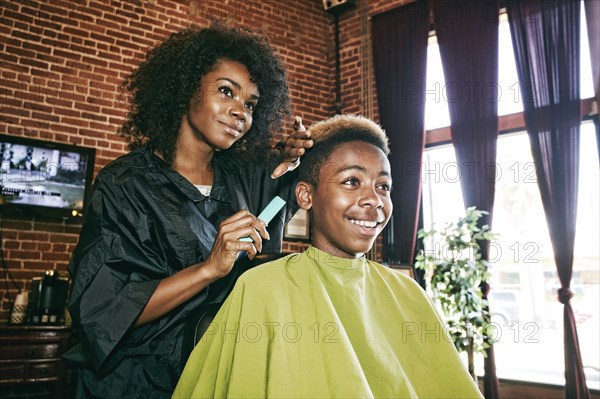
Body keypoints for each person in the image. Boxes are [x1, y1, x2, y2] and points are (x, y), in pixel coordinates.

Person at [65, 23, 312, 398]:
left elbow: (276, 205)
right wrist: (209, 269)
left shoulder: (241, 181)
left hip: (216, 374)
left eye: (250, 104)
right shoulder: (124, 185)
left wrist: (289, 161)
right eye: (225, 91)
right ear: (185, 90)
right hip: (135, 382)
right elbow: (102, 313)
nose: (239, 112)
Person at [173, 114, 484, 399]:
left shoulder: (408, 293)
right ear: (306, 195)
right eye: (352, 181)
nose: (373, 200)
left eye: (383, 186)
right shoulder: (261, 288)